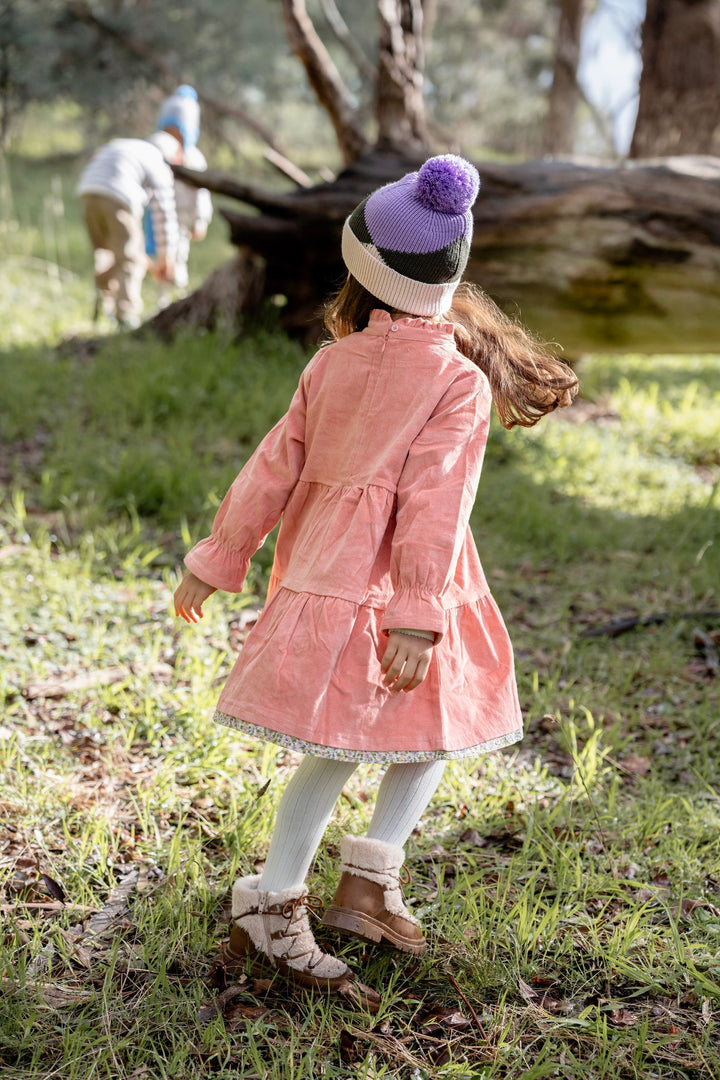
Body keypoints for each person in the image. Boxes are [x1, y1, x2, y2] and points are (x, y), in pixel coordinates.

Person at [173, 155, 578, 1010]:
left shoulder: (341, 364)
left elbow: (272, 475)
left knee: (417, 730)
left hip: (355, 581)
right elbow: (430, 504)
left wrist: (219, 557)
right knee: (393, 735)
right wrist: (417, 614)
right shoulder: (450, 379)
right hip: (403, 592)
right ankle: (272, 902)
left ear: (363, 269)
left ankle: (367, 881)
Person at [77, 131, 181, 328]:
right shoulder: (158, 161)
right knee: (131, 259)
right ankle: (126, 316)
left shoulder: (127, 144)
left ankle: (102, 305)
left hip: (87, 191)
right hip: (119, 196)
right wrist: (166, 257)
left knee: (106, 254)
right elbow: (164, 213)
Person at [145, 86, 213, 304]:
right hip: (166, 213)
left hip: (173, 215)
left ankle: (172, 298)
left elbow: (201, 192)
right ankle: (168, 298)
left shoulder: (157, 145)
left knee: (172, 255)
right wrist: (200, 220)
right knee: (167, 254)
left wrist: (200, 220)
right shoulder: (169, 149)